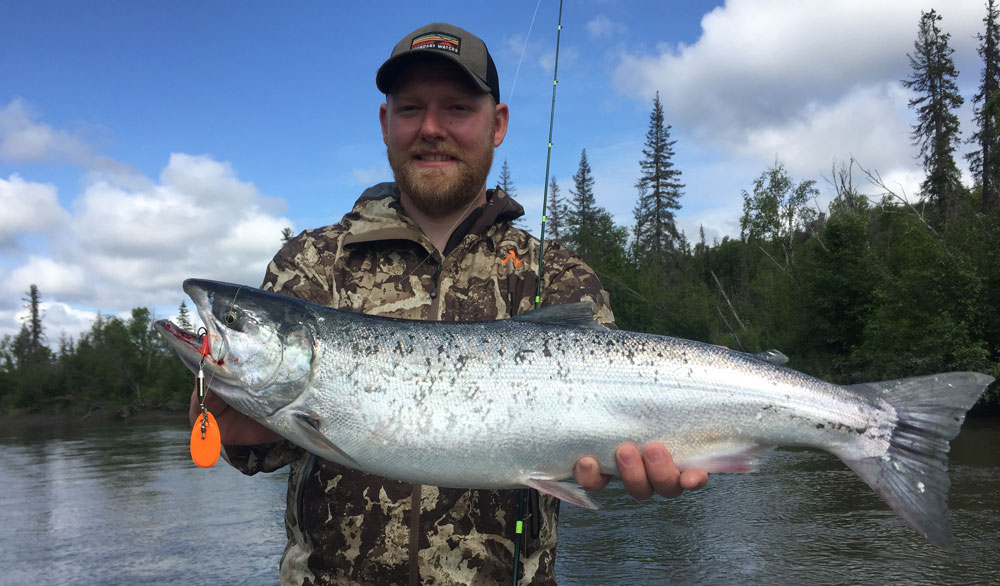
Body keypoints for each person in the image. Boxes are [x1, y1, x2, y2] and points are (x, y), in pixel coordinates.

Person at [190, 22, 708, 586]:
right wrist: (231, 422)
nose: (431, 128)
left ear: (498, 124)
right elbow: (264, 450)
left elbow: (609, 443)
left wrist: (636, 460)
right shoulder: (311, 262)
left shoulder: (556, 274)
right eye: (410, 109)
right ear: (386, 124)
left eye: (457, 108)